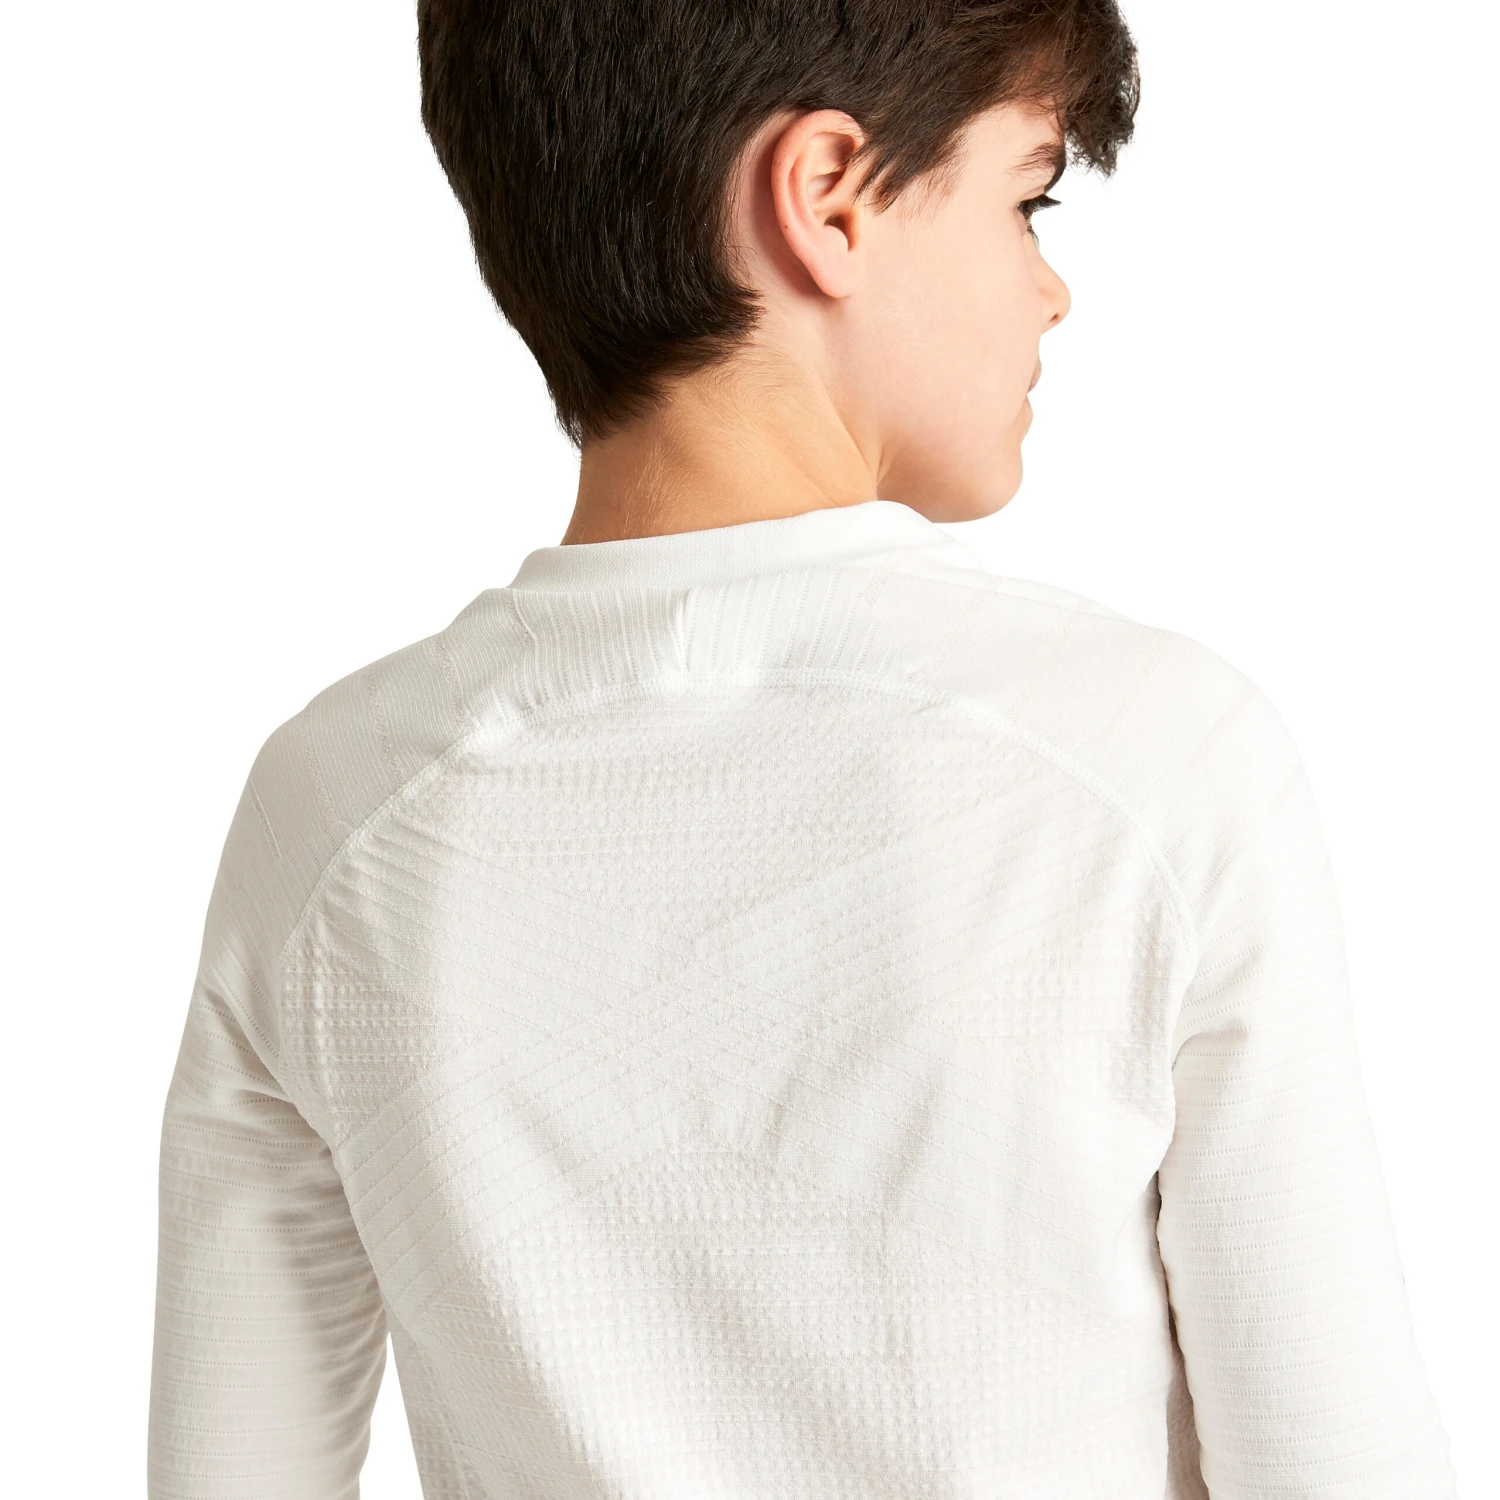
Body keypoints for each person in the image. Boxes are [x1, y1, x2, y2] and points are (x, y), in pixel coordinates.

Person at [147, 2, 1459, 1496]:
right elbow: (1339, 1461)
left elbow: (230, 1468)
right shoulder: (1150, 758)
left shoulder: (331, 813)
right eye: (1027, 201)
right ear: (829, 195)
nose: (1052, 291)